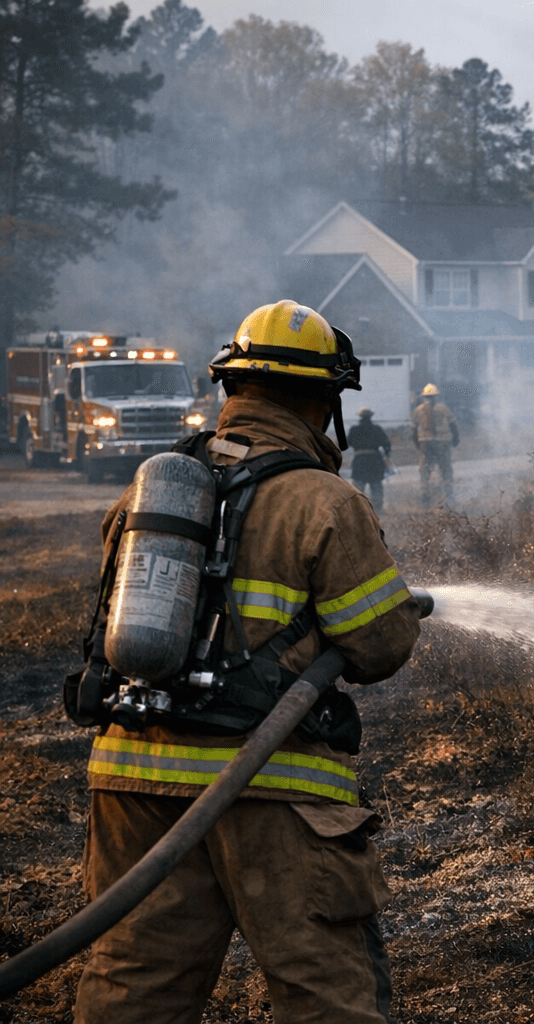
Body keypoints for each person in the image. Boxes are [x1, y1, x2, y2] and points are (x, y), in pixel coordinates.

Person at [73, 300, 423, 1022]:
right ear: (322, 399)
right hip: (274, 789)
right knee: (325, 992)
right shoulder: (324, 503)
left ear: (231, 388)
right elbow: (380, 646)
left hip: (135, 778)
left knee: (135, 988)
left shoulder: (152, 491)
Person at [410, 383, 458, 505]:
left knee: (425, 468)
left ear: (424, 396)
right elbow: (453, 425)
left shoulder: (418, 410)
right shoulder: (444, 408)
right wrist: (456, 439)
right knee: (445, 467)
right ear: (436, 396)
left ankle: (425, 494)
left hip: (425, 442)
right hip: (443, 442)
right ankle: (449, 495)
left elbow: (413, 431)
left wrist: (418, 445)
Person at [349, 407, 392, 511]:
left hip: (360, 461)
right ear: (371, 416)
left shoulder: (354, 430)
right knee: (376, 486)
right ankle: (378, 509)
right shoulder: (377, 429)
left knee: (358, 488)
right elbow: (387, 444)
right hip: (375, 461)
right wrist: (387, 455)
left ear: (360, 417)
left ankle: (358, 510)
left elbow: (346, 443)